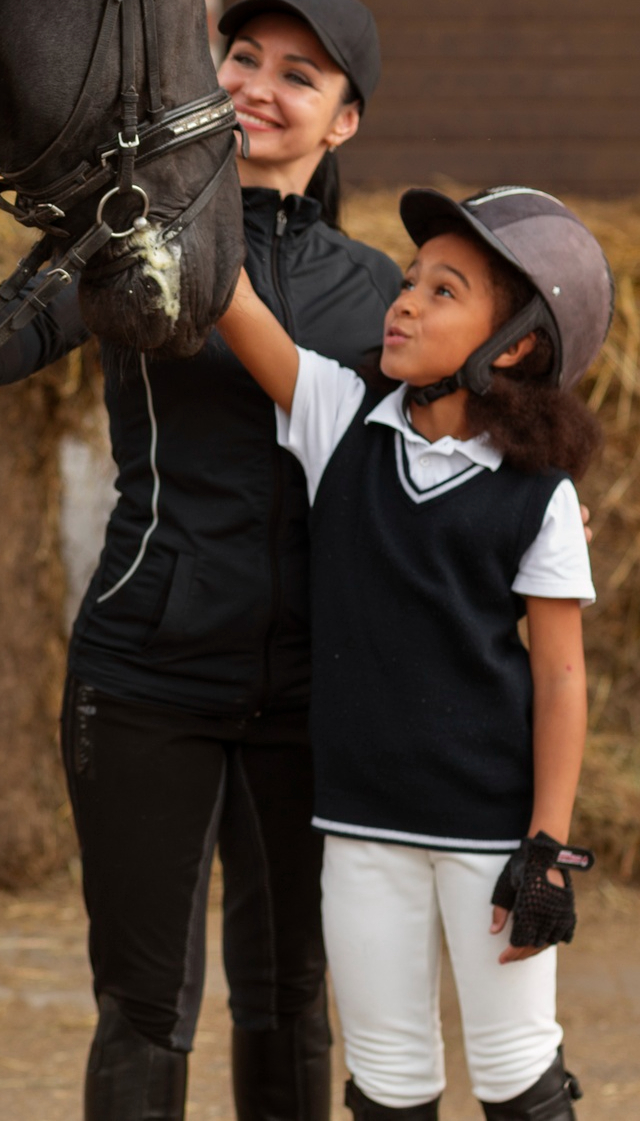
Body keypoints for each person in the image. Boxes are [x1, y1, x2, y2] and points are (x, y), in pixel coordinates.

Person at [0, 0, 396, 1121]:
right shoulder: (140, 237)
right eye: (243, 57)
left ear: (344, 120)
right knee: (142, 1004)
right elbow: (40, 306)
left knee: (288, 995)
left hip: (314, 693)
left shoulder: (380, 298)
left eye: (297, 76)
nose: (257, 87)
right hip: (144, 673)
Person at [214, 185, 611, 1121]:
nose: (404, 301)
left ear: (512, 344)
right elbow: (231, 302)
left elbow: (561, 677)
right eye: (408, 280)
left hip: (490, 836)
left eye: (444, 290)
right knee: (387, 1078)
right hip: (360, 826)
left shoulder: (539, 497)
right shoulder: (339, 420)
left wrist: (547, 849)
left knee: (517, 1069)